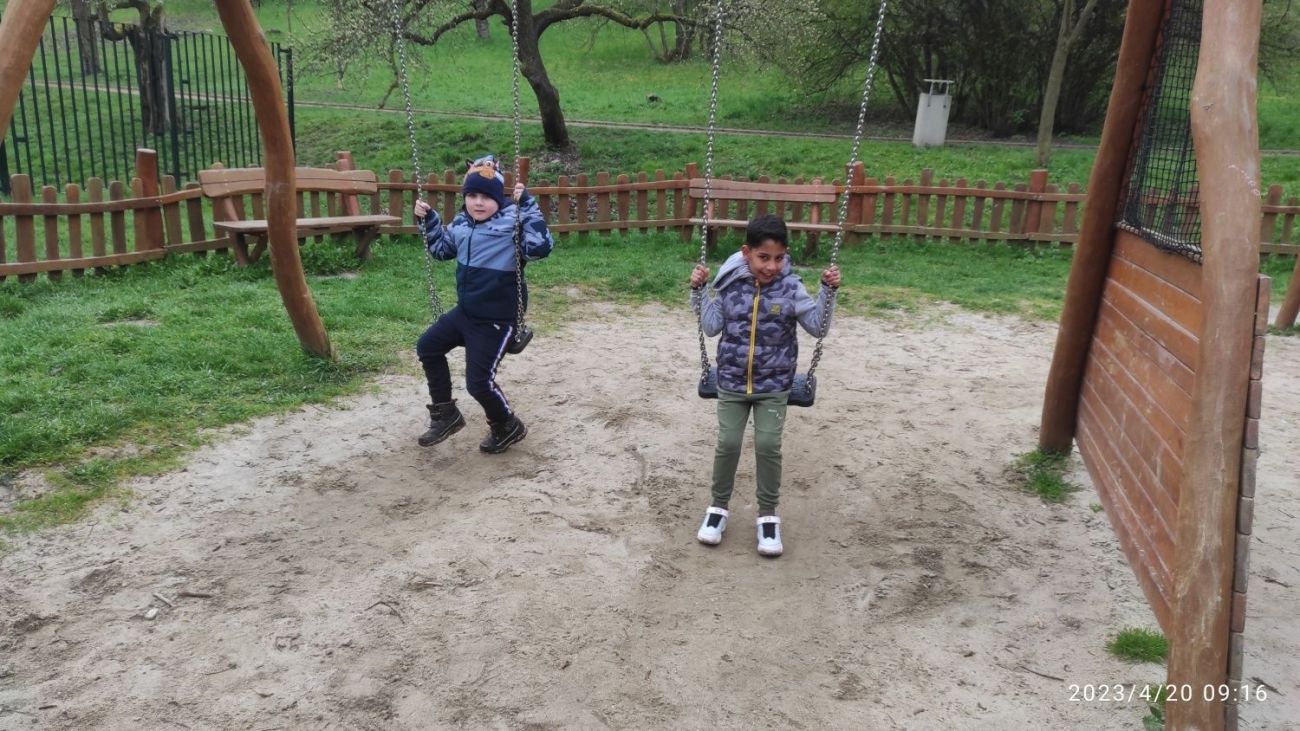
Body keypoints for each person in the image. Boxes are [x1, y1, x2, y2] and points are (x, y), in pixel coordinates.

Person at [689, 214, 840, 556]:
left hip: (774, 384)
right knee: (728, 443)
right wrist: (698, 291)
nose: (771, 266)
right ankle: (717, 509)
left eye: (779, 258)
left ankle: (768, 516)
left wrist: (828, 291)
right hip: (731, 381)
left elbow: (818, 327)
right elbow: (710, 327)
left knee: (768, 445)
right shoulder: (730, 285)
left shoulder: (791, 288)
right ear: (747, 253)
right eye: (763, 257)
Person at [412, 155, 554, 454]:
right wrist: (429, 221)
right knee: (428, 346)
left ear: (498, 198)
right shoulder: (462, 223)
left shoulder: (511, 223)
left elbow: (540, 249)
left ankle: (507, 425)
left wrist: (528, 207)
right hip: (466, 312)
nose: (478, 203)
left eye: (486, 197)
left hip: (497, 319)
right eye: (472, 195)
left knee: (478, 383)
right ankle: (446, 414)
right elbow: (441, 250)